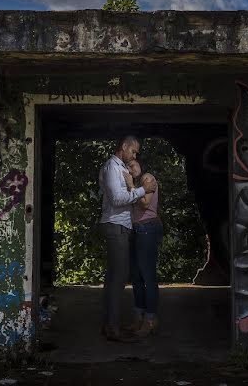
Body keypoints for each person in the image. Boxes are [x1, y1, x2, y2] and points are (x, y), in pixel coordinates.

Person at [98, 136, 156, 342]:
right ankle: (112, 328)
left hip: (118, 225)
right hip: (116, 226)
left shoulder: (118, 167)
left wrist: (135, 188)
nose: (135, 155)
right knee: (119, 278)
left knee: (113, 277)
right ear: (124, 146)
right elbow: (117, 199)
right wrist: (143, 190)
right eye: (133, 151)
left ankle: (109, 323)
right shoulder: (112, 167)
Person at [126, 159, 162, 338]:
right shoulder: (134, 186)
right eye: (127, 167)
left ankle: (150, 319)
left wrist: (132, 185)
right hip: (136, 231)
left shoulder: (148, 179)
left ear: (140, 165)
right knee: (136, 276)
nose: (131, 169)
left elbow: (146, 203)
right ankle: (139, 316)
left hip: (148, 228)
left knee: (148, 275)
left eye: (133, 165)